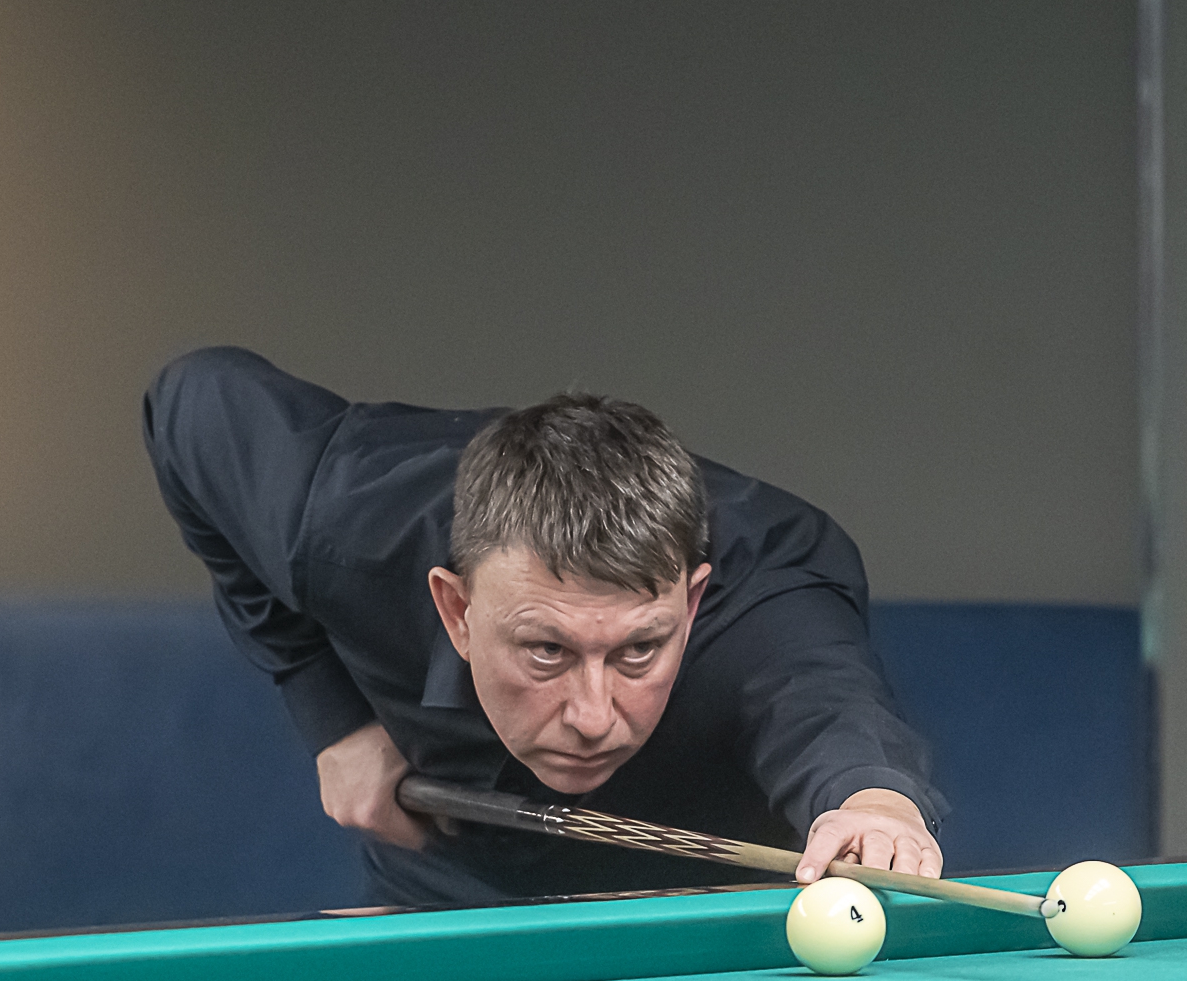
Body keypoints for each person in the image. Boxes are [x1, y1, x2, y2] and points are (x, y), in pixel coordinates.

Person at [143, 347, 949, 906]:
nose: (592, 716)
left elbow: (829, 705)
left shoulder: (768, 593)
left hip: (700, 908)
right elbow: (187, 402)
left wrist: (877, 808)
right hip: (450, 885)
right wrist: (331, 716)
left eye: (638, 649)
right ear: (456, 609)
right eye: (545, 649)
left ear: (692, 602)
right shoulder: (343, 522)